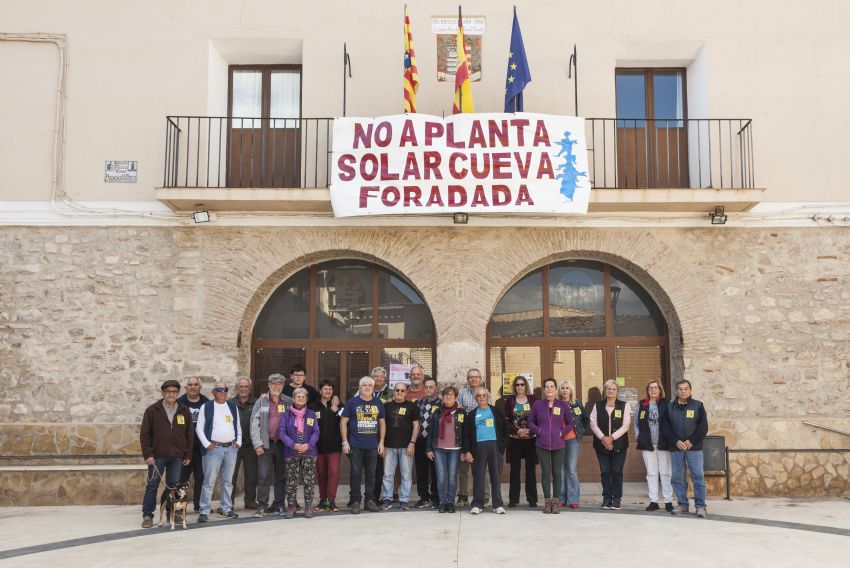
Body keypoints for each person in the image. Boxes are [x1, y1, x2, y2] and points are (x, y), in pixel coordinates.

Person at [139, 380, 194, 528]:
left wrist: (188, 455)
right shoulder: (152, 410)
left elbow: (190, 435)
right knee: (152, 485)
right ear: (163, 393)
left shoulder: (184, 410)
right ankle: (148, 515)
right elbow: (144, 435)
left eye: (174, 392)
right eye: (168, 391)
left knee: (172, 487)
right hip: (157, 456)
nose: (171, 394)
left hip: (177, 456)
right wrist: (148, 455)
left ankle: (171, 512)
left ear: (178, 393)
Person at [195, 380, 242, 522]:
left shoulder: (233, 407)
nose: (222, 392)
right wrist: (206, 444)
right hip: (213, 449)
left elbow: (238, 426)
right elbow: (199, 428)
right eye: (219, 389)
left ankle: (226, 508)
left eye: (225, 389)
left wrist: (238, 441)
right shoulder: (207, 407)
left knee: (228, 481)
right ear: (214, 392)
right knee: (209, 481)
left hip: (231, 449)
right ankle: (204, 510)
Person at [662, 379, 709, 518]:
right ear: (676, 391)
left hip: (694, 449)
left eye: (686, 389)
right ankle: (682, 504)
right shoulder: (669, 407)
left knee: (698, 477)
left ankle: (701, 506)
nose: (683, 391)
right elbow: (665, 427)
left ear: (690, 390)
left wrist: (691, 441)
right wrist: (676, 441)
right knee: (677, 477)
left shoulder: (698, 406)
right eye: (680, 389)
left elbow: (703, 427)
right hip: (676, 448)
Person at [340, 376, 386, 514]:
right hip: (355, 444)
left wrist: (382, 442)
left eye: (369, 386)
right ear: (360, 387)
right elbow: (343, 422)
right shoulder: (352, 402)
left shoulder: (378, 403)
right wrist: (345, 441)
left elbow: (382, 423)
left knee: (371, 474)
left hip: (372, 445)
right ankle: (355, 501)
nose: (367, 387)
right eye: (364, 385)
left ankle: (370, 500)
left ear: (373, 388)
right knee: (355, 473)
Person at [250, 373, 293, 517]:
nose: (277, 386)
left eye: (280, 384)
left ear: (283, 385)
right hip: (265, 444)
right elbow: (254, 424)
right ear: (269, 385)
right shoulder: (261, 401)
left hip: (283, 445)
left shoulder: (288, 401)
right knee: (263, 476)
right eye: (274, 384)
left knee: (281, 476)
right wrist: (257, 444)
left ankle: (279, 504)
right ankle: (262, 505)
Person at [528, 378, 574, 514]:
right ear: (544, 389)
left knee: (557, 473)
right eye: (547, 387)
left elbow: (570, 423)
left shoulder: (562, 405)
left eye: (552, 386)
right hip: (542, 444)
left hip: (559, 444)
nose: (549, 389)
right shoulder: (537, 405)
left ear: (555, 389)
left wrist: (562, 433)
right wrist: (539, 431)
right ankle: (548, 502)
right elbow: (531, 422)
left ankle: (556, 503)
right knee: (546, 473)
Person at [462, 386, 507, 515]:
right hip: (478, 448)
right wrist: (468, 451)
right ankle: (477, 504)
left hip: (494, 447)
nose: (481, 397)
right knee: (479, 476)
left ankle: (497, 504)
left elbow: (505, 428)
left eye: (484, 395)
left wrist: (501, 446)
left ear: (488, 397)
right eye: (479, 396)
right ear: (476, 399)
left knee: (496, 476)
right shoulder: (471, 414)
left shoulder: (496, 411)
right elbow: (467, 435)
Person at [590, 379, 631, 510]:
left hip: (619, 445)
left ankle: (616, 499)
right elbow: (593, 423)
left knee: (617, 471)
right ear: (605, 390)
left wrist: (611, 438)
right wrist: (603, 438)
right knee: (605, 471)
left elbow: (626, 425)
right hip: (601, 445)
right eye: (608, 389)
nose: (611, 391)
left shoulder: (624, 405)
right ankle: (607, 498)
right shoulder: (598, 405)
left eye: (613, 389)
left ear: (617, 391)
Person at [279, 388, 320, 518]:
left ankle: (308, 506)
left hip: (309, 452)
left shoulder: (311, 414)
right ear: (293, 398)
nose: (300, 399)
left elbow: (316, 432)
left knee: (309, 481)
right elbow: (281, 432)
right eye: (298, 397)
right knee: (291, 481)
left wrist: (308, 445)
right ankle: (291, 507)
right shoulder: (286, 415)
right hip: (291, 452)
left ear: (306, 399)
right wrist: (293, 444)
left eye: (303, 397)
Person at [634, 380, 674, 512]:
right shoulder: (642, 404)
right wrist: (638, 436)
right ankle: (654, 501)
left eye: (656, 388)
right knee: (651, 473)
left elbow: (672, 421)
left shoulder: (667, 403)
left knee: (666, 473)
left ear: (660, 390)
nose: (653, 390)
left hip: (664, 443)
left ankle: (668, 501)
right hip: (647, 444)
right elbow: (636, 423)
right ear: (647, 390)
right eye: (650, 388)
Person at [380, 382, 420, 510]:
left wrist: (412, 443)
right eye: (397, 390)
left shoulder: (412, 407)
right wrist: (381, 443)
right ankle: (387, 498)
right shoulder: (386, 406)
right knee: (387, 474)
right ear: (394, 391)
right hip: (388, 445)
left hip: (406, 446)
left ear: (406, 392)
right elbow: (381, 425)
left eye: (402, 390)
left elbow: (416, 426)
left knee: (406, 474)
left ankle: (404, 500)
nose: (399, 392)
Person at [456, 368, 491, 508]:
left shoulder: (486, 393)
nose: (474, 379)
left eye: (476, 377)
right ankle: (463, 496)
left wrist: (466, 409)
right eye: (471, 377)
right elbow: (459, 410)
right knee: (463, 467)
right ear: (467, 379)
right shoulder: (462, 393)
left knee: (484, 468)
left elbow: (489, 411)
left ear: (480, 378)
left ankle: (485, 496)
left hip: (483, 433)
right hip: (466, 433)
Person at [502, 375, 538, 508]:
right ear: (514, 387)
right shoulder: (510, 400)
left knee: (530, 469)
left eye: (522, 384)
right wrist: (517, 430)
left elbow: (537, 418)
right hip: (515, 440)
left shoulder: (533, 399)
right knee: (515, 470)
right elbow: (507, 420)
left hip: (530, 440)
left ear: (526, 386)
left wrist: (530, 430)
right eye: (517, 385)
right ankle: (513, 499)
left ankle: (532, 499)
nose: (520, 387)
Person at [426, 385, 464, 513]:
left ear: (455, 397)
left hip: (455, 449)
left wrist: (465, 450)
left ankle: (450, 502)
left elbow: (465, 432)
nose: (448, 397)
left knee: (452, 477)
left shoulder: (461, 412)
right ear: (442, 397)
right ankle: (442, 502)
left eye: (451, 395)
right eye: (446, 394)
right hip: (438, 449)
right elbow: (430, 431)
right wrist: (428, 449)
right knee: (441, 477)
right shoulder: (437, 412)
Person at [310, 379, 343, 512]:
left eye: (330, 389)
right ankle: (323, 500)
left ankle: (331, 500)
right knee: (322, 473)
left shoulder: (338, 405)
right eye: (325, 389)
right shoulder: (313, 406)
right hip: (317, 446)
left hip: (334, 446)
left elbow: (345, 422)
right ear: (320, 390)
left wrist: (337, 411)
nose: (328, 391)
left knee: (333, 472)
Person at [177, 376, 209, 512]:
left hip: (201, 449)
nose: (193, 387)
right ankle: (179, 507)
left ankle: (198, 505)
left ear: (200, 387)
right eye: (190, 384)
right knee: (181, 479)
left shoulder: (206, 403)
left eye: (196, 384)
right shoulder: (179, 403)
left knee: (200, 477)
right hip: (183, 449)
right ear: (186, 387)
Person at [559, 380, 589, 509]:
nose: (565, 390)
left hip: (572, 440)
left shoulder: (576, 404)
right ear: (559, 390)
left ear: (571, 391)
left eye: (567, 388)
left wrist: (579, 432)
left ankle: (573, 499)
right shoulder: (555, 404)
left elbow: (585, 419)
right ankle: (561, 498)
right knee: (560, 469)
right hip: (558, 440)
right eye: (563, 388)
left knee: (571, 469)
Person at [229, 376, 257, 510]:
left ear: (250, 388)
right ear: (237, 388)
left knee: (251, 474)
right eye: (241, 386)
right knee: (231, 475)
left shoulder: (257, 403)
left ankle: (250, 501)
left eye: (246, 386)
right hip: (233, 445)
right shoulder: (229, 403)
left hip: (251, 445)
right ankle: (229, 502)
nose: (244, 389)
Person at [414, 376, 442, 509]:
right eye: (426, 387)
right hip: (421, 441)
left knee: (436, 471)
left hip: (436, 442)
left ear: (436, 388)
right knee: (421, 471)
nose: (428, 389)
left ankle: (436, 498)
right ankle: (424, 497)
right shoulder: (418, 402)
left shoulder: (442, 403)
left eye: (431, 387)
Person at [371, 366, 391, 501]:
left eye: (381, 377)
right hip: (368, 434)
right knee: (371, 468)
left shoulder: (390, 392)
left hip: (386, 433)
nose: (378, 379)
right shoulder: (365, 389)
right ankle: (370, 496)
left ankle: (381, 496)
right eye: (376, 376)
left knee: (384, 469)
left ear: (385, 378)